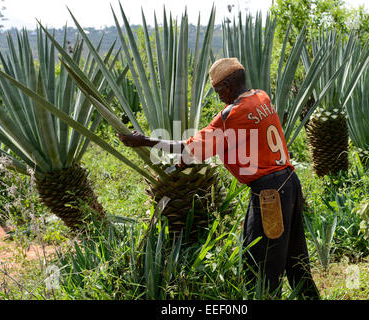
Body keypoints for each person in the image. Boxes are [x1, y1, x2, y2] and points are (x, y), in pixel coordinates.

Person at [117, 58, 320, 299]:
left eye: (218, 90)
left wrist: (145, 141)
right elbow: (241, 141)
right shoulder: (262, 97)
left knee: (260, 266)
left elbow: (189, 147)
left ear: (229, 84)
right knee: (295, 258)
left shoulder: (231, 115)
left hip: (269, 194)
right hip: (290, 183)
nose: (219, 96)